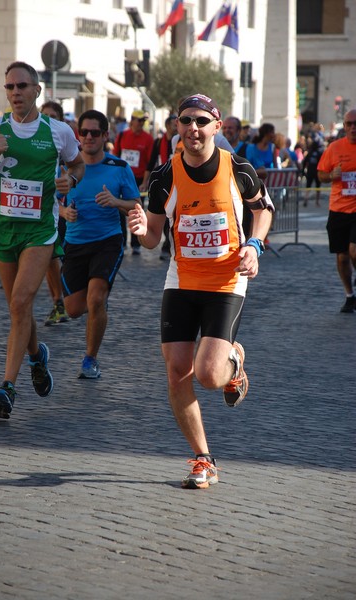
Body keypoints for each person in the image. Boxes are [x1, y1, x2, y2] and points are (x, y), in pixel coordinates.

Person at [127, 93, 274, 489]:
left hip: (227, 280)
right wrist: (142, 233)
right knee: (177, 372)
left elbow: (263, 210)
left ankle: (233, 364)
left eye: (201, 121)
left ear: (217, 126)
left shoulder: (237, 169)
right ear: (177, 125)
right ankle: (202, 458)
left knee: (209, 375)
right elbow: (155, 237)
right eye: (186, 120)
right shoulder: (163, 177)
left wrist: (254, 246)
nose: (193, 128)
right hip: (182, 278)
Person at [0, 61, 84, 418]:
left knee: (21, 301)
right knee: (18, 309)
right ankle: (37, 356)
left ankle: (7, 387)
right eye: (9, 88)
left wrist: (71, 181)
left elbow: (77, 165)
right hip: (4, 231)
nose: (15, 93)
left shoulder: (57, 131)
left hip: (40, 232)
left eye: (22, 86)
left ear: (37, 90)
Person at [61, 109, 140, 378]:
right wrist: (63, 213)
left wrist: (116, 202)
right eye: (84, 132)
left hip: (107, 240)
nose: (89, 137)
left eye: (95, 132)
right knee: (72, 310)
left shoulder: (119, 168)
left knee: (95, 298)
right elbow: (47, 201)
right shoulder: (67, 167)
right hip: (74, 243)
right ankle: (99, 306)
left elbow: (137, 205)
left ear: (106, 135)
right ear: (78, 135)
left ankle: (90, 359)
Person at [317, 108, 356, 313]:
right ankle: (350, 295)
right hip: (338, 209)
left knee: (354, 250)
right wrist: (332, 175)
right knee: (342, 257)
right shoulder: (334, 148)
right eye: (349, 124)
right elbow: (321, 175)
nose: (352, 128)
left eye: (355, 124)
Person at [40, 100, 70, 326]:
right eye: (44, 115)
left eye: (52, 116)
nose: (47, 120)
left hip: (66, 213)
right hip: (44, 213)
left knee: (59, 259)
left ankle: (69, 300)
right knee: (51, 259)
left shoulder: (66, 148)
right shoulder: (37, 146)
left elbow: (78, 172)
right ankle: (58, 302)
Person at [113, 109, 153, 254]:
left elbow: (150, 162)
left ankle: (136, 243)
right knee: (119, 209)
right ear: (132, 121)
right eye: (140, 120)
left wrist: (146, 181)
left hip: (138, 179)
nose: (142, 123)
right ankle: (122, 241)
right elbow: (115, 156)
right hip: (121, 178)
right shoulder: (122, 135)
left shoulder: (148, 138)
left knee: (137, 211)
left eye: (144, 121)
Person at [142, 114, 178, 260]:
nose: (175, 127)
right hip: (164, 180)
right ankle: (167, 244)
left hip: (179, 180)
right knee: (163, 214)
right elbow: (151, 163)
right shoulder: (159, 142)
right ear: (167, 126)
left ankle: (170, 245)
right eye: (173, 124)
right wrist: (145, 182)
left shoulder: (181, 140)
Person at [302, 138, 324, 207]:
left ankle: (306, 199)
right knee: (318, 187)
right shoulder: (319, 153)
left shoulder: (310, 153)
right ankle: (317, 201)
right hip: (317, 172)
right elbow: (322, 163)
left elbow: (305, 162)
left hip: (310, 171)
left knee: (308, 186)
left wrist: (303, 170)